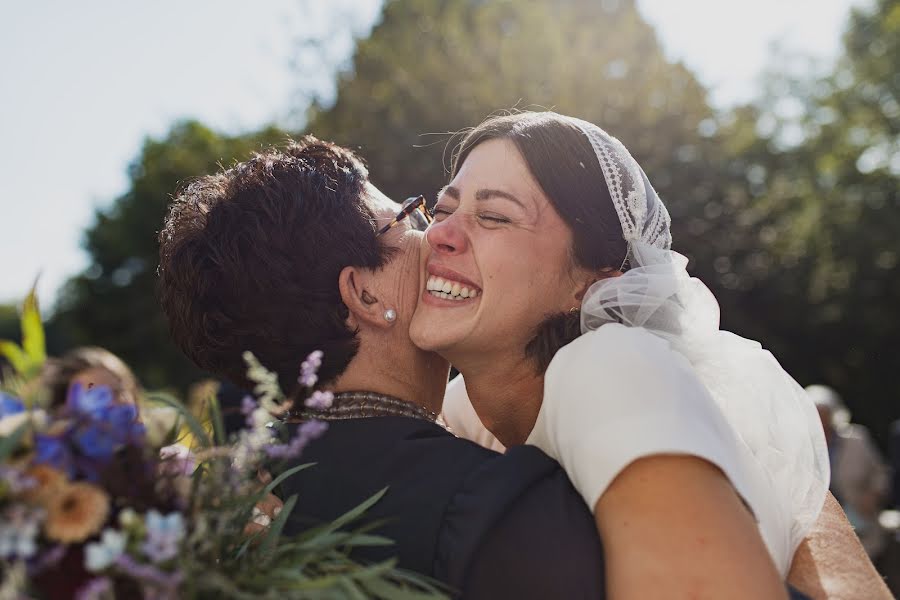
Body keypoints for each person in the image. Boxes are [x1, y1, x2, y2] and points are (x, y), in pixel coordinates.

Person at [409, 111, 890, 598]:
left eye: (494, 216)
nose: (439, 235)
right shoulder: (468, 411)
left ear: (591, 284)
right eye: (443, 211)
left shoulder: (610, 364)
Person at [156, 137, 609, 598]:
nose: (436, 234)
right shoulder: (485, 504)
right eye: (410, 217)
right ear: (364, 295)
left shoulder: (223, 501)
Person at [807, 384, 890, 559]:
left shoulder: (856, 438)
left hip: (860, 525)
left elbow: (881, 473)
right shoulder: (802, 445)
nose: (821, 420)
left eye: (824, 414)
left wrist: (873, 494)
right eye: (815, 414)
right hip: (821, 530)